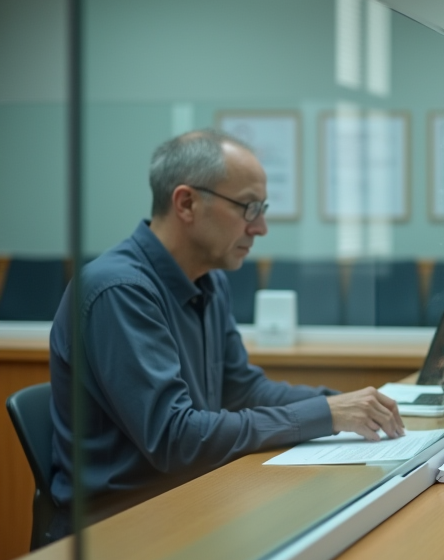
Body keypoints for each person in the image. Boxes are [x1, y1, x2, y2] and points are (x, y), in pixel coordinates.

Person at [48, 129, 404, 536]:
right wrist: (325, 414)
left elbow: (243, 390)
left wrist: (344, 405)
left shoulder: (206, 279)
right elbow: (175, 439)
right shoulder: (119, 290)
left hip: (191, 502)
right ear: (186, 203)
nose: (261, 228)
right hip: (119, 529)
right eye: (249, 208)